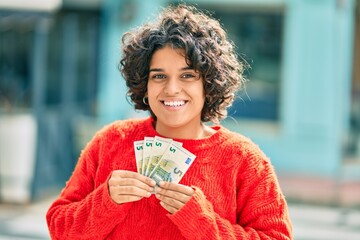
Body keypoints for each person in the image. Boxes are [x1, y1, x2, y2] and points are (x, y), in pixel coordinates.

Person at [46, 4, 293, 239]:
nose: (172, 89)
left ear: (209, 84)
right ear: (144, 85)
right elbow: (59, 229)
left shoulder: (245, 160)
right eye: (159, 76)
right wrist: (105, 200)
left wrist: (201, 222)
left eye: (187, 75)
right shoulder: (111, 141)